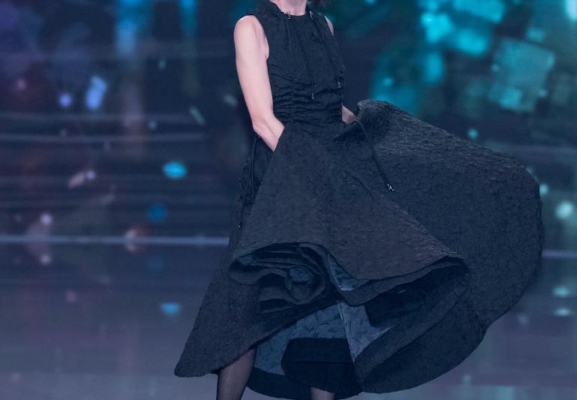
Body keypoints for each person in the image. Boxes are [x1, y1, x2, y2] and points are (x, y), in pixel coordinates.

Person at [174, 0, 545, 399]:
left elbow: (329, 108)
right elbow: (263, 121)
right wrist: (314, 173)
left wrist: (377, 135)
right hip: (280, 180)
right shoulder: (251, 27)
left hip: (331, 171)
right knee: (250, 304)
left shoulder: (323, 25)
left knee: (329, 299)